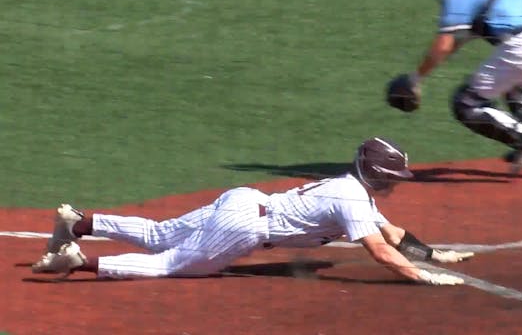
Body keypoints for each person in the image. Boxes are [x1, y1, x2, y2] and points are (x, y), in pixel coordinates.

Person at [32, 137, 474, 285]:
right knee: (171, 264)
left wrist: (436, 256)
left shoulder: (351, 191)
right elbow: (381, 251)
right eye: (394, 177)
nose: (398, 184)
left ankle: (78, 221)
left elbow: (394, 234)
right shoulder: (352, 199)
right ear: (377, 176)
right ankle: (79, 260)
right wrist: (423, 277)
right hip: (244, 225)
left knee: (160, 234)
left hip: (242, 200)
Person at [393, 0, 522, 179]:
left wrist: (415, 79)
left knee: (466, 104)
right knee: (520, 93)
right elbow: (459, 38)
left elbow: (444, 43)